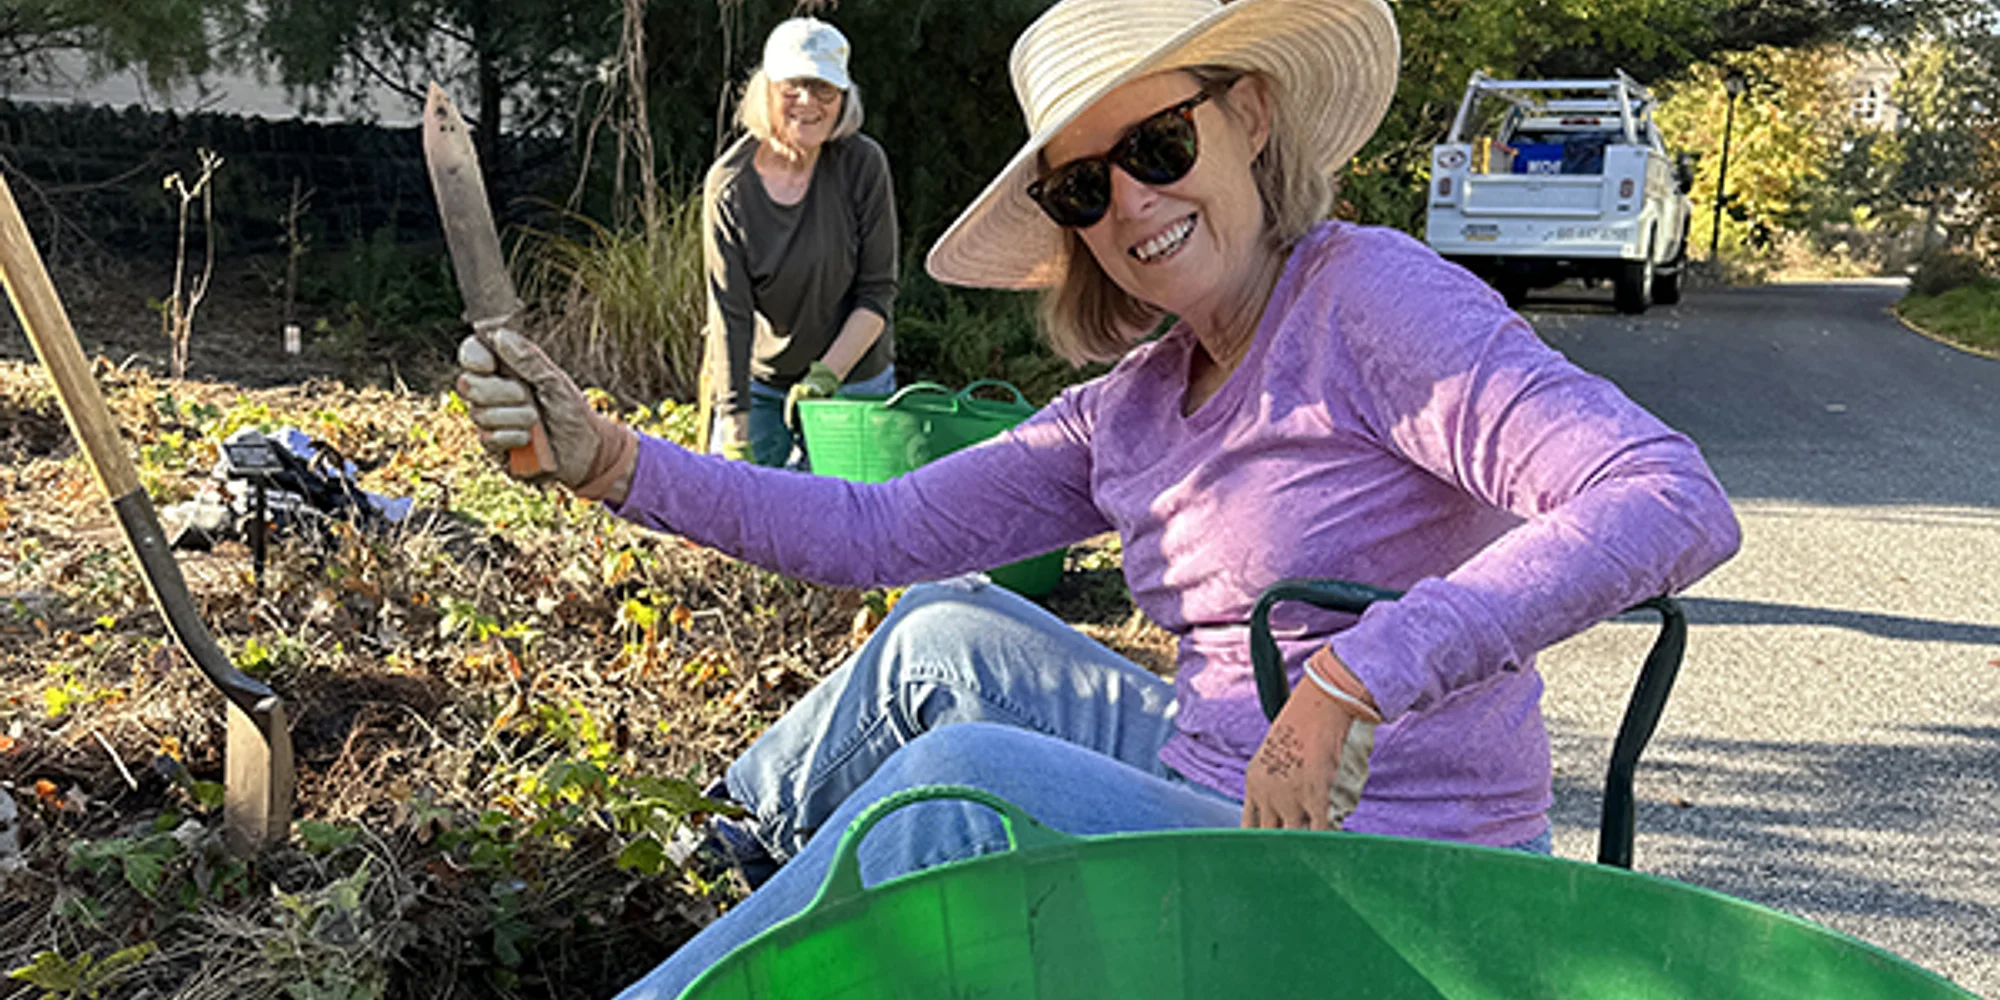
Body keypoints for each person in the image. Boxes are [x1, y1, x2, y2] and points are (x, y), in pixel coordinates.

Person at [456, 0, 1742, 993]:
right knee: (941, 635)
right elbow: (877, 528)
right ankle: (725, 872)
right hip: (1214, 781)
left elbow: (1663, 493)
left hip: (1393, 875)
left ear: (1247, 117)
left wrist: (1359, 675)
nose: (1130, 200)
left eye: (1157, 143)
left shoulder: (1367, 301)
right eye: (1082, 186)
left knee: (953, 786)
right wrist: (609, 461)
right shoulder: (1133, 402)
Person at [701, 16, 900, 468]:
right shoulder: (729, 186)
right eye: (793, 86)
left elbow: (877, 294)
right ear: (766, 91)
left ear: (843, 98)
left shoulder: (862, 165)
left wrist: (826, 377)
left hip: (853, 378)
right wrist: (735, 430)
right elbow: (729, 315)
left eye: (824, 89)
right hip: (761, 384)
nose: (808, 102)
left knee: (843, 509)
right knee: (734, 499)